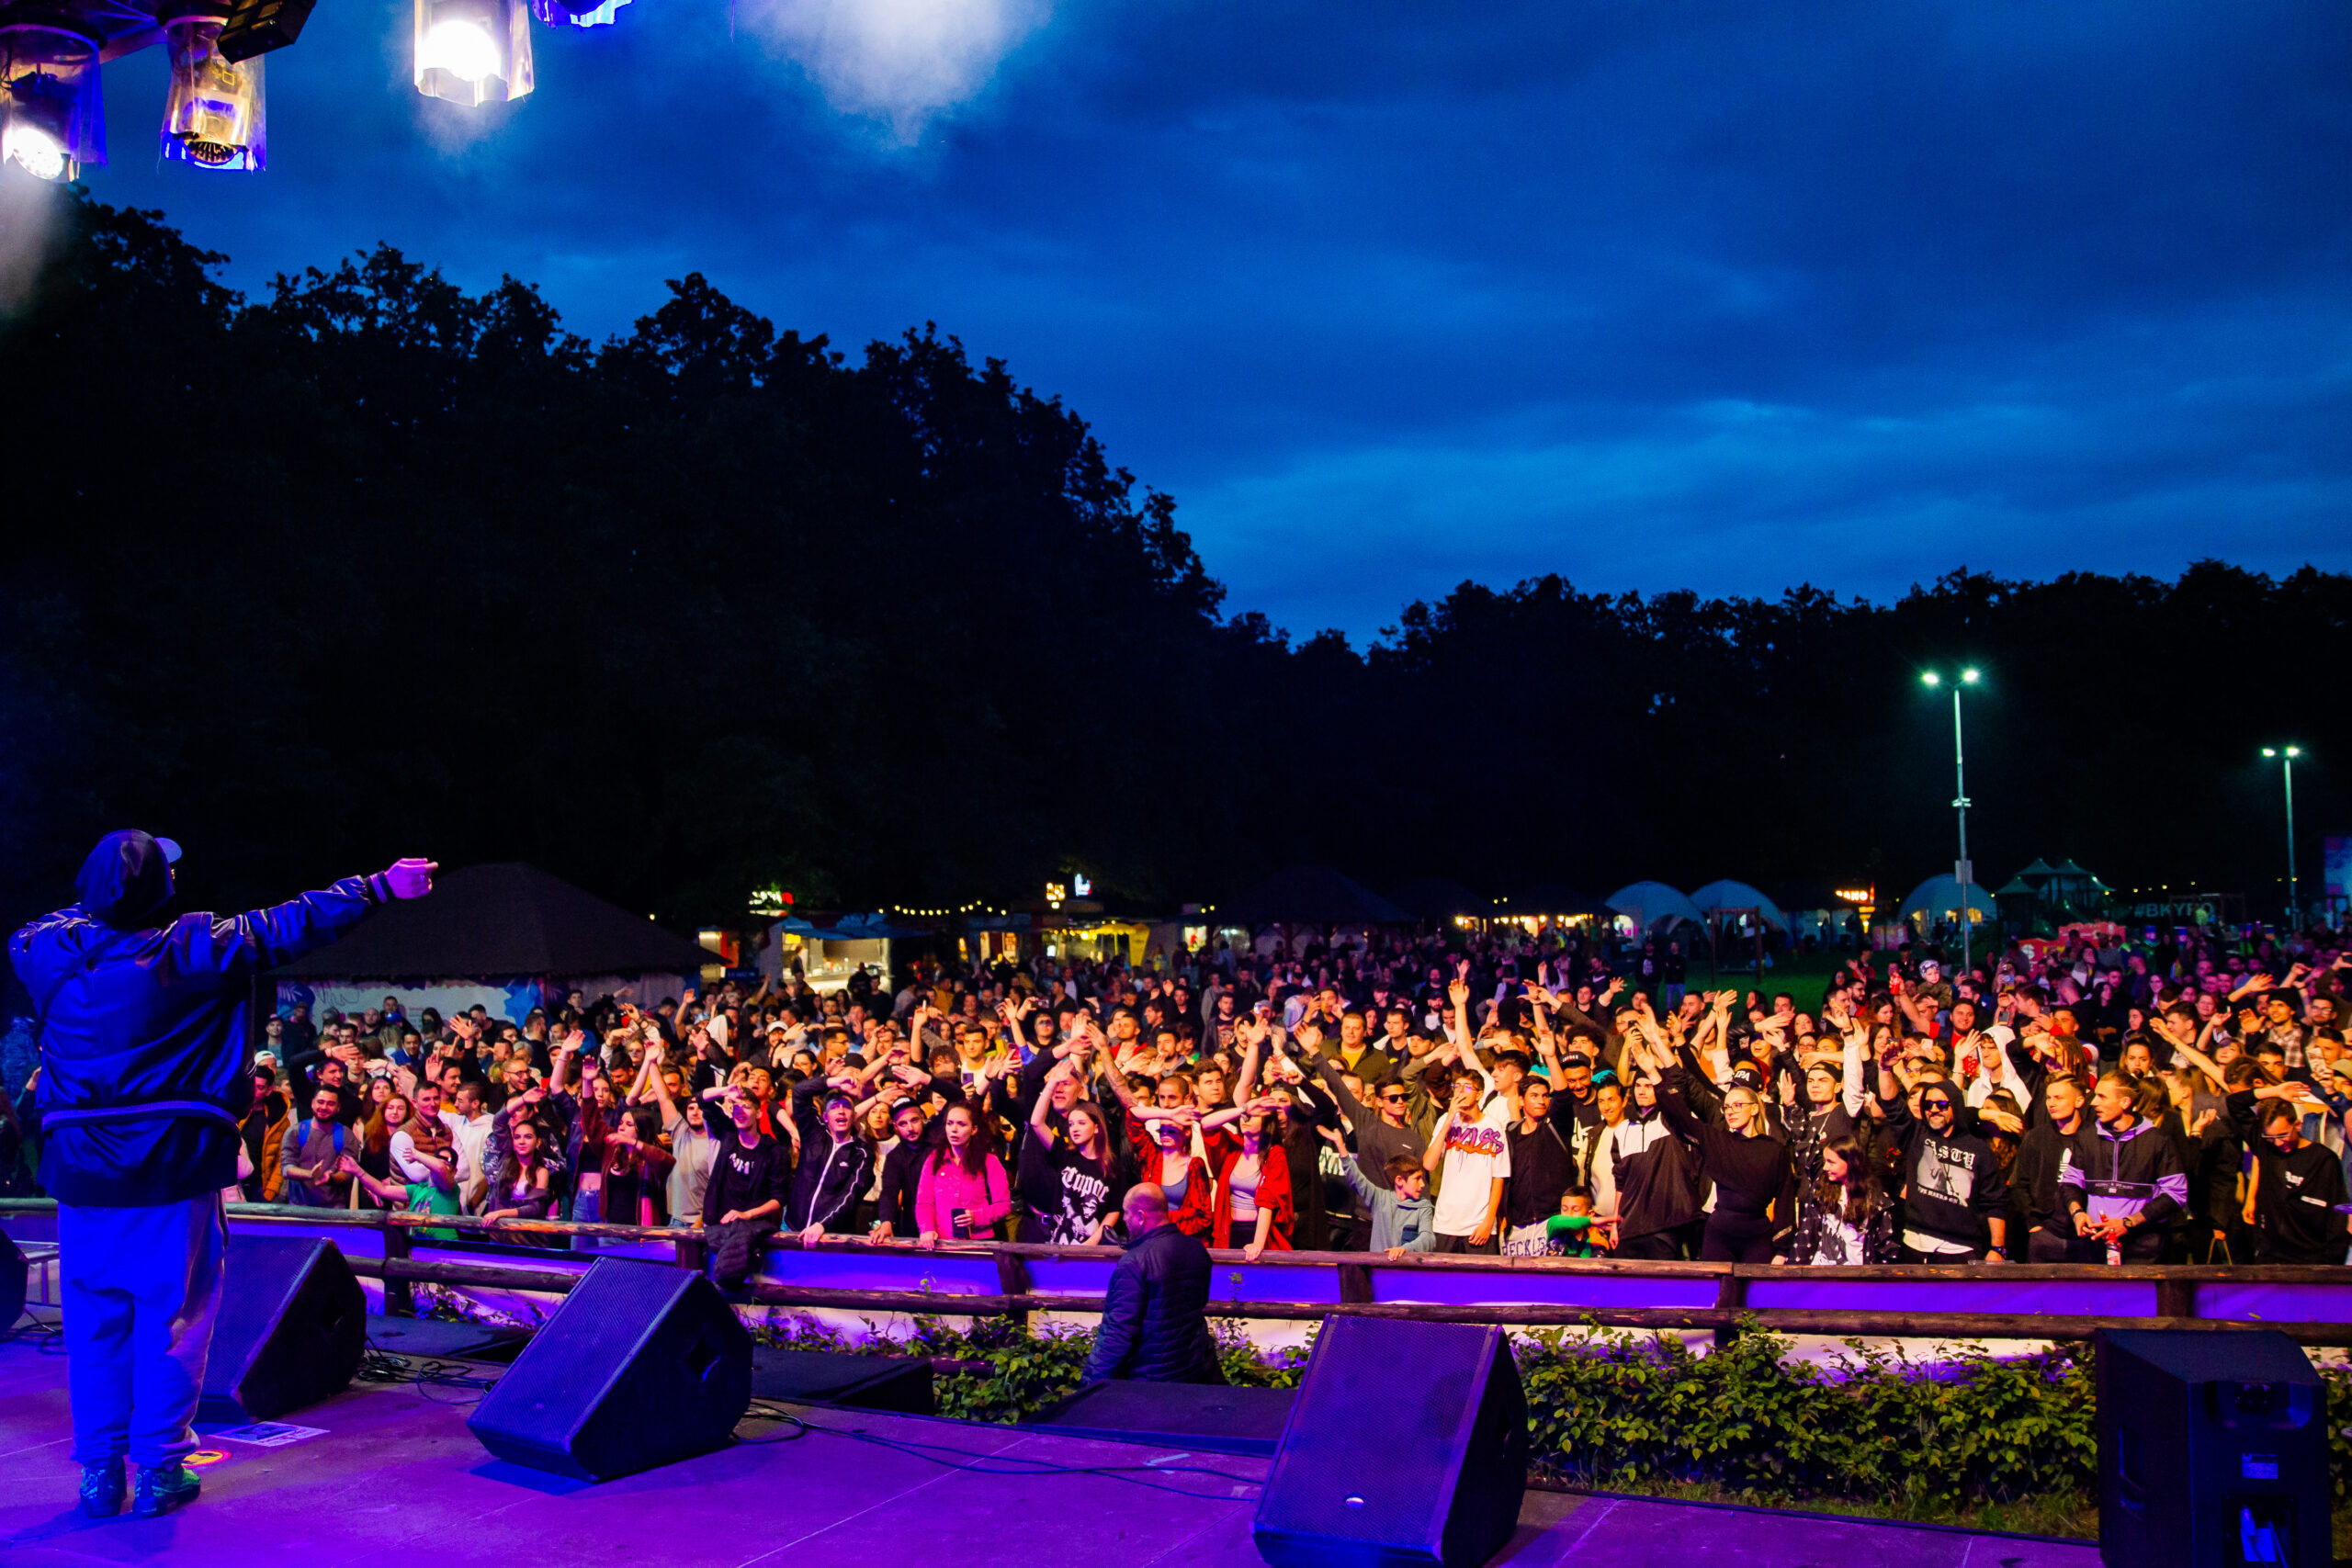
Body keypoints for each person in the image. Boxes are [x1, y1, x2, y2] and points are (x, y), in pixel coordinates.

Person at [10, 833, 432, 1518]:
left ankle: (97, 1474)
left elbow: (48, 924)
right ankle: (157, 1469)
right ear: (163, 891)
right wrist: (379, 885)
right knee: (172, 1319)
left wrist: (107, 900)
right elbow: (293, 921)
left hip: (82, 1171)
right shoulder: (192, 947)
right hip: (172, 1165)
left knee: (94, 1325)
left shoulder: (44, 950)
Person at [1079, 1184, 1222, 1384]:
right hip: (1195, 1372)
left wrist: (1090, 1385)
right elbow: (1198, 1303)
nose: (1124, 1220)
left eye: (1126, 1214)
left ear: (1140, 1216)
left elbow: (1116, 1334)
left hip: (1151, 1381)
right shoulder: (1196, 1249)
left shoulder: (1134, 1263)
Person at [913, 1102, 1012, 1245]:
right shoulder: (934, 1160)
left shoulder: (989, 1162)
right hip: (942, 1240)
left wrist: (976, 1217)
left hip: (979, 1241)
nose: (954, 1129)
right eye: (950, 1123)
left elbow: (1003, 1205)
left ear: (974, 1129)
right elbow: (924, 1202)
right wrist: (927, 1229)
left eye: (961, 1124)